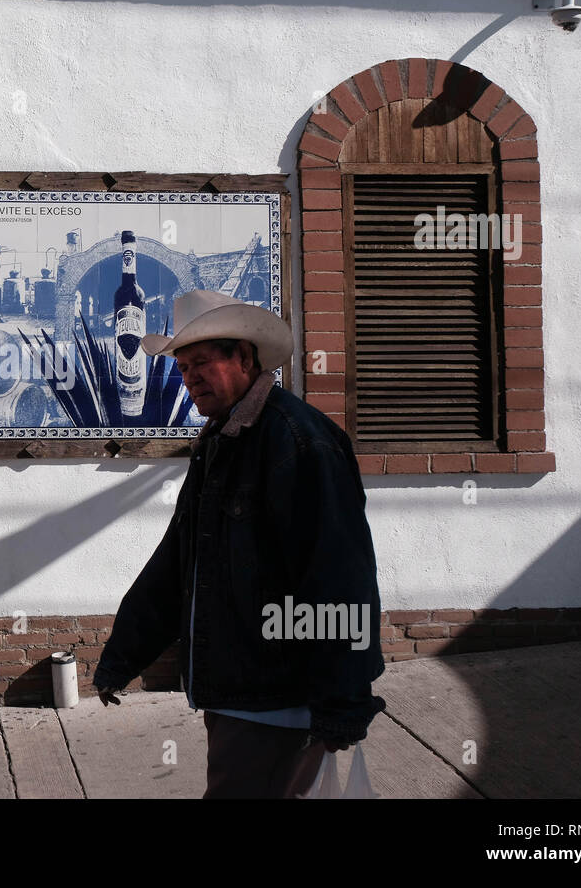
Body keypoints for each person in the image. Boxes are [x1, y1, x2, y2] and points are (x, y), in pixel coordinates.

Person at [92, 289, 385, 798]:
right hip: (237, 691)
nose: (190, 379)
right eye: (183, 368)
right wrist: (124, 654)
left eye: (202, 362)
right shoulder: (223, 439)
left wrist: (343, 699)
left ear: (244, 358)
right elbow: (181, 559)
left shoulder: (298, 443)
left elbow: (339, 574)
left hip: (276, 700)